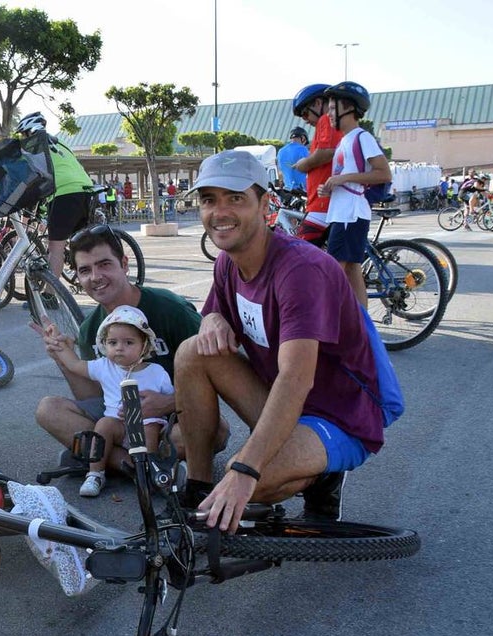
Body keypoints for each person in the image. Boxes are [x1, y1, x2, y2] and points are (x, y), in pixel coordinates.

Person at [177, 150, 385, 533]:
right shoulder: (228, 261)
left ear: (266, 205)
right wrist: (211, 318)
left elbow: (295, 379)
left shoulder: (301, 271)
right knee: (192, 352)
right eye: (209, 200)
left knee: (250, 478)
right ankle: (197, 488)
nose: (219, 212)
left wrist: (244, 470)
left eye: (235, 198)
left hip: (339, 415)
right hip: (286, 402)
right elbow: (212, 311)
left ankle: (322, 476)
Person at [33, 225, 216, 475]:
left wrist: (167, 403)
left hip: (170, 420)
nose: (96, 277)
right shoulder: (91, 329)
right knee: (48, 410)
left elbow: (215, 372)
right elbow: (93, 396)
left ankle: (102, 458)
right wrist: (62, 356)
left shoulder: (169, 308)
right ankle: (141, 469)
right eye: (85, 270)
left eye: (105, 264)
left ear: (125, 264)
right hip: (118, 423)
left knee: (216, 431)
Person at [45, 305, 173, 498]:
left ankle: (149, 471)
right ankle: (95, 473)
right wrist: (60, 347)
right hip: (117, 425)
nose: (119, 348)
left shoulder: (156, 372)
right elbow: (75, 364)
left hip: (146, 422)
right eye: (112, 342)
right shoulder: (105, 366)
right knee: (103, 425)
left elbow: (170, 399)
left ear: (144, 345)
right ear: (105, 345)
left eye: (129, 342)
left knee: (150, 429)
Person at [318, 82, 392, 308]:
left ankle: (327, 326)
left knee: (332, 274)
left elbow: (383, 173)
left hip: (351, 214)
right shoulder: (345, 141)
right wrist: (330, 187)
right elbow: (347, 176)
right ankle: (363, 327)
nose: (329, 114)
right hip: (344, 212)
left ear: (348, 108)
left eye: (332, 108)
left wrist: (344, 178)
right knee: (352, 270)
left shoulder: (362, 138)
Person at [15, 112, 94, 276]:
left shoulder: (35, 148)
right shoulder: (60, 143)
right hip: (86, 189)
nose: (23, 139)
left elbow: (31, 180)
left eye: (24, 134)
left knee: (55, 249)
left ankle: (49, 297)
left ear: (30, 132)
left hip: (64, 192)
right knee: (84, 242)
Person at [290, 83, 342, 245]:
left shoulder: (326, 120)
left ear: (318, 104)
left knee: (300, 253)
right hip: (325, 203)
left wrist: (303, 164)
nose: (306, 121)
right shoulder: (331, 123)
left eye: (305, 114)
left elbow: (327, 152)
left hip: (322, 206)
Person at [278, 127, 309, 192]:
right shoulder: (303, 149)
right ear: (303, 138)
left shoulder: (280, 151)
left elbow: (280, 173)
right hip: (301, 191)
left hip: (287, 191)